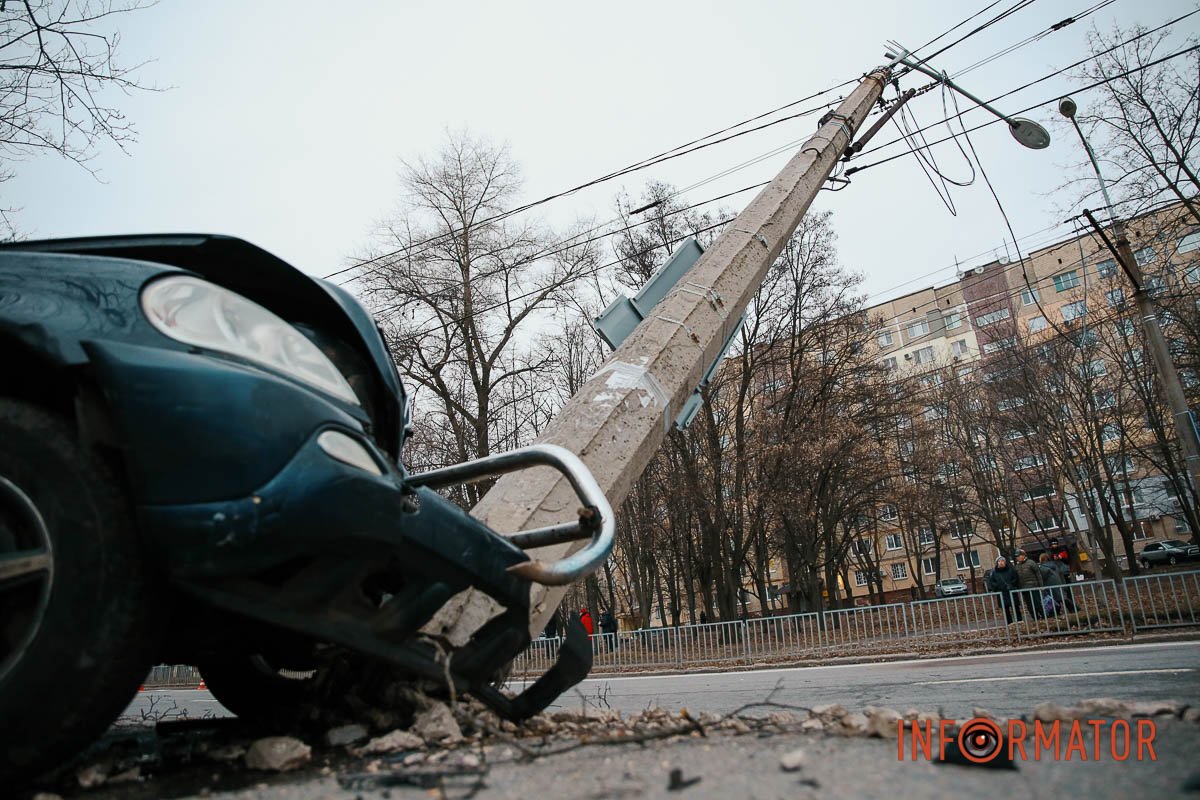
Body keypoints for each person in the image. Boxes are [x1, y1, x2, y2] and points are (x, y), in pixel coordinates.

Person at [985, 555, 1022, 624]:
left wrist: (1012, 585)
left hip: (1011, 591)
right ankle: (1009, 623)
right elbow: (991, 582)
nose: (1001, 562)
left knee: (1016, 607)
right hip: (1002, 593)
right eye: (999, 561)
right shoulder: (994, 572)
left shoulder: (1010, 570)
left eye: (1002, 561)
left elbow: (1015, 579)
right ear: (997, 563)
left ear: (1005, 562)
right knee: (1005, 610)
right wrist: (998, 586)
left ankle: (1019, 621)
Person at [1013, 549, 1044, 619]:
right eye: (1016, 557)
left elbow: (1038, 574)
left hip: (1033, 586)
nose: (1017, 558)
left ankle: (1043, 615)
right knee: (1029, 605)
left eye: (1018, 556)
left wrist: (1041, 585)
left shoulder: (1031, 563)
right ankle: (1035, 617)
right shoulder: (1017, 566)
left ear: (1023, 555)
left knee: (1037, 602)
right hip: (1024, 588)